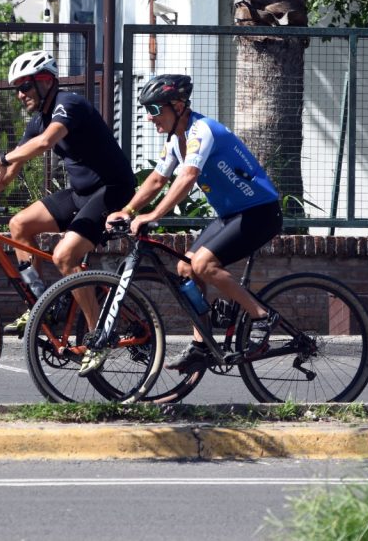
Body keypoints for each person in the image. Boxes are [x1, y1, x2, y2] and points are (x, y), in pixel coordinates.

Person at [104, 74, 284, 373]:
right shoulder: (176, 140)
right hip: (231, 215)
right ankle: (202, 345)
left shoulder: (202, 131)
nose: (150, 118)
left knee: (202, 265)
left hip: (260, 212)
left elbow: (187, 177)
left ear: (177, 106)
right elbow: (157, 179)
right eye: (146, 111)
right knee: (186, 267)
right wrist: (128, 209)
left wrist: (153, 216)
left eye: (154, 110)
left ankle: (262, 317)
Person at [0, 49, 136, 334]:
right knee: (19, 224)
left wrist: (2, 158)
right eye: (17, 88)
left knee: (65, 257)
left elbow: (44, 143)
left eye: (25, 86)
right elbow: (10, 170)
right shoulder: (38, 120)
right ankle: (40, 307)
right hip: (81, 192)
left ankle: (97, 334)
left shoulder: (69, 104)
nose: (20, 94)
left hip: (112, 190)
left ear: (46, 81)